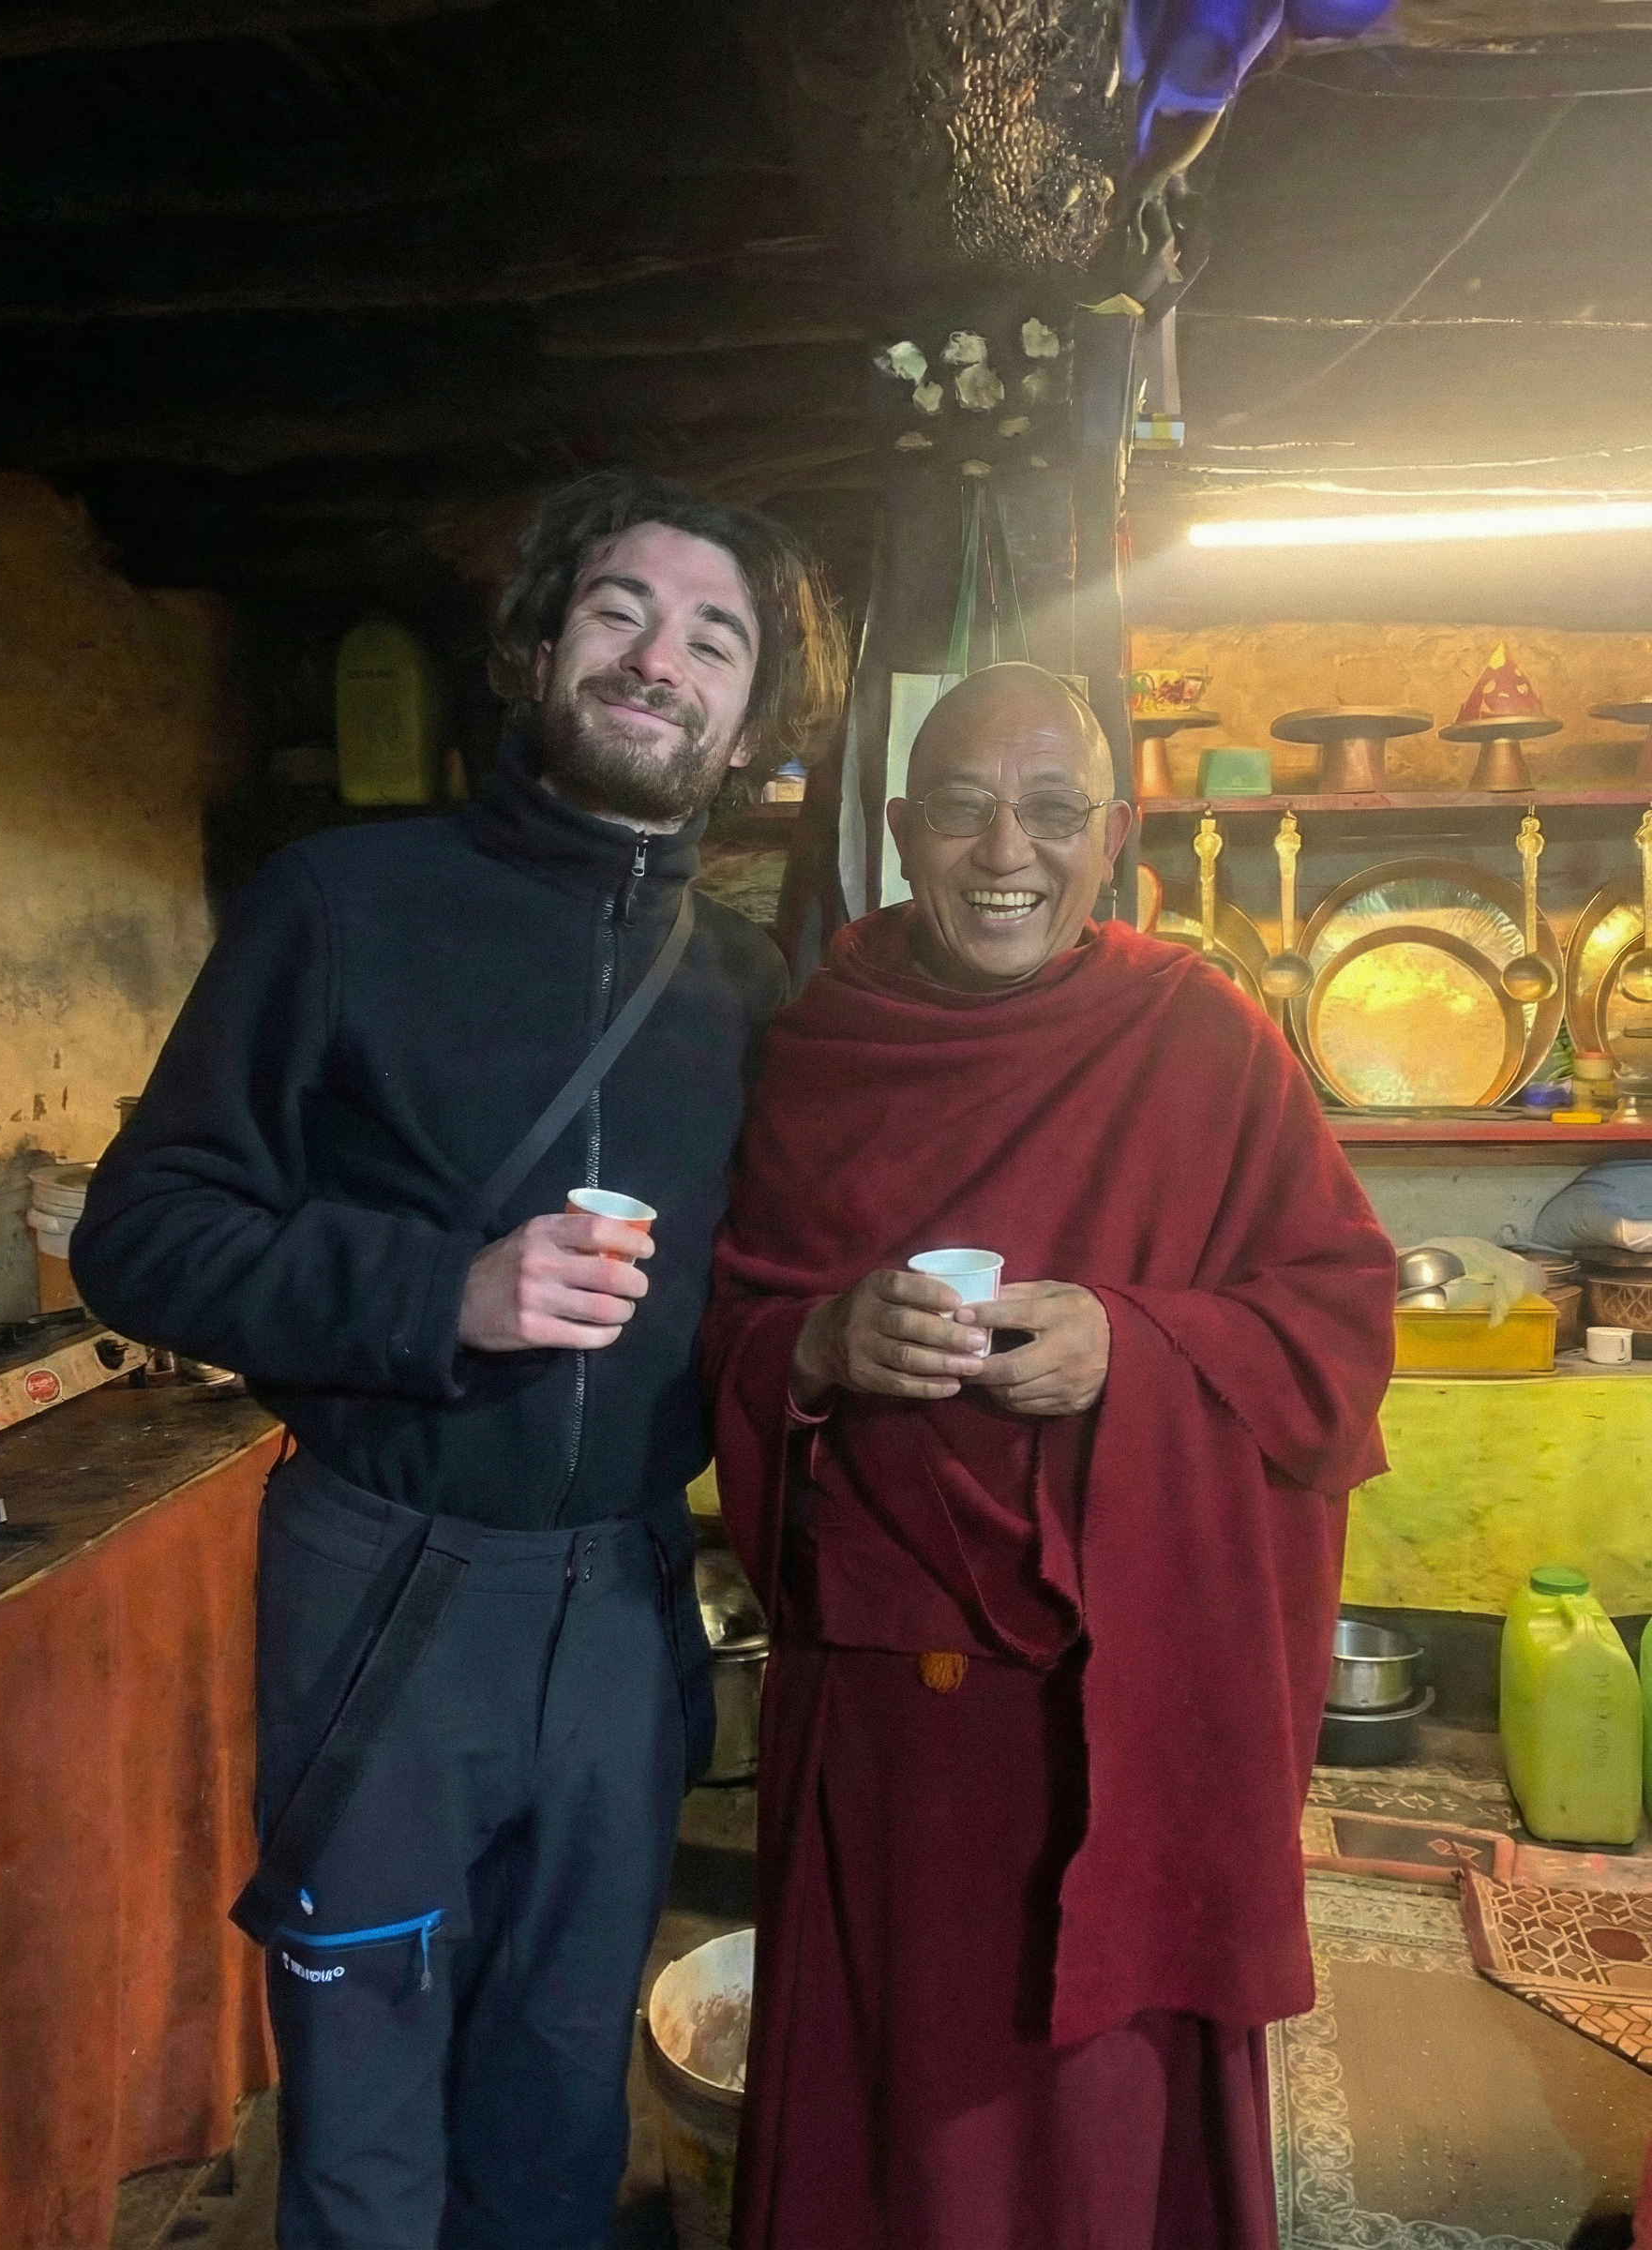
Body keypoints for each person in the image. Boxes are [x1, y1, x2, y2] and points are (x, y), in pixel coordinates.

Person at [70, 471, 848, 2250]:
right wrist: (443, 1292)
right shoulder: (341, 900)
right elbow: (142, 1234)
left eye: (712, 638)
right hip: (388, 1589)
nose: (660, 659)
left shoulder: (745, 978)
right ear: (538, 650)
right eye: (619, 614)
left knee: (566, 2083)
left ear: (746, 715)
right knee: (361, 2082)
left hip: (630, 1602)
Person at [700, 663, 1396, 2250]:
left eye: (1051, 812)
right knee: (883, 2115)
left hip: (1119, 1699)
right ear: (897, 830)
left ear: (1117, 836)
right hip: (883, 1706)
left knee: (1097, 2122)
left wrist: (1134, 1350)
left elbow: (1343, 1328)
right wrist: (815, 1348)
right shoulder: (825, 1046)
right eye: (959, 808)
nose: (1003, 850)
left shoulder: (1199, 1040)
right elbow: (728, 1324)